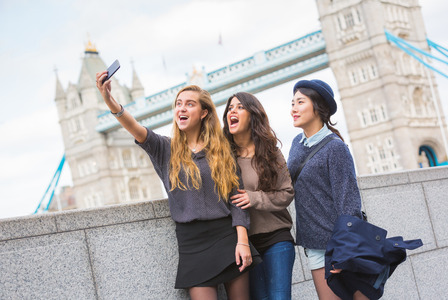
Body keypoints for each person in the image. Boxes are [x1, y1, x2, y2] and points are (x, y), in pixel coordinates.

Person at [96, 71, 261, 300]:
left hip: (228, 238)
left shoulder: (222, 150)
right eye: (178, 104)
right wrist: (109, 100)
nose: (181, 109)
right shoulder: (164, 149)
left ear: (204, 113)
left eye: (189, 104)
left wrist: (242, 242)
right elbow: (133, 125)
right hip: (191, 243)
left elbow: (237, 200)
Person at [286, 79, 367, 300]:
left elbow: (348, 203)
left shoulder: (335, 148)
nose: (293, 108)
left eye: (300, 102)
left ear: (318, 106)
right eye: (292, 102)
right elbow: (283, 183)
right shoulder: (296, 143)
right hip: (314, 245)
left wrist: (344, 251)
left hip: (341, 246)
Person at [223, 92, 295, 300]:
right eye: (229, 108)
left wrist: (254, 198)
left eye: (239, 107)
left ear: (253, 115)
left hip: (276, 239)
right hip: (244, 245)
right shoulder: (223, 157)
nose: (232, 111)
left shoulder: (271, 152)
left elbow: (287, 193)